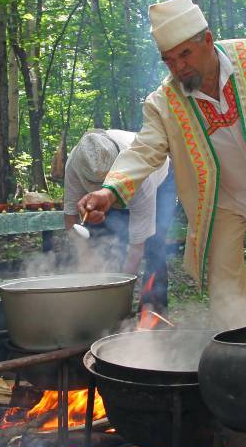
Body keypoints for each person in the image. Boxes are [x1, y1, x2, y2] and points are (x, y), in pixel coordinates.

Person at [79, 0, 246, 329]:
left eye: (185, 54)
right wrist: (108, 192)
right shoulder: (163, 103)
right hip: (222, 199)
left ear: (207, 40)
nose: (179, 67)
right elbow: (143, 150)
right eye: (169, 60)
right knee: (223, 277)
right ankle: (235, 346)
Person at [63, 129, 177, 313]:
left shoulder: (142, 177)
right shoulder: (77, 163)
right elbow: (70, 217)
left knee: (153, 244)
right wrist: (84, 254)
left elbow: (136, 249)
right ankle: (98, 308)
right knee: (104, 241)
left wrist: (118, 292)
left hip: (160, 179)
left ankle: (153, 310)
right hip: (125, 187)